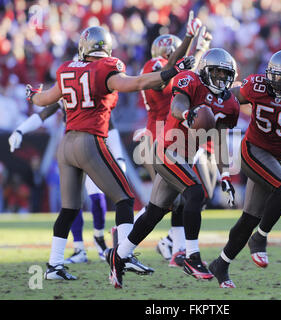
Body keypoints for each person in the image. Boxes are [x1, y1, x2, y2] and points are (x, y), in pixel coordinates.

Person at [25, 25, 195, 281]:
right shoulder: (105, 67)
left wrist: (32, 96)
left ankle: (54, 265)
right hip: (89, 141)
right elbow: (137, 83)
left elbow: (45, 98)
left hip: (66, 144)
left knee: (69, 208)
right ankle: (124, 255)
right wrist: (171, 71)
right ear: (106, 46)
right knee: (125, 198)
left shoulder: (66, 70)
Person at [107, 47, 239, 288]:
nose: (221, 79)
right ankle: (192, 256)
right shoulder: (189, 80)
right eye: (217, 73)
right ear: (206, 71)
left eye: (225, 75)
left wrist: (226, 174)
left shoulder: (229, 103)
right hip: (167, 149)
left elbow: (219, 139)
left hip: (186, 157)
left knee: (155, 213)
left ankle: (119, 255)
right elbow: (178, 104)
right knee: (196, 192)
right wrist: (189, 114)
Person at [208, 49, 281, 288]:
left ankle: (221, 264)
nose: (275, 81)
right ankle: (260, 239)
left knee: (249, 217)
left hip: (275, 159)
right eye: (273, 75)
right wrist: (208, 106)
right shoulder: (256, 86)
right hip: (253, 150)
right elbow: (226, 98)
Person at [8, 101, 152, 274]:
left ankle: (88, 247)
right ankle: (94, 250)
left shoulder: (80, 85)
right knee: (77, 203)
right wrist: (21, 128)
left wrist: (21, 128)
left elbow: (109, 122)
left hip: (77, 146)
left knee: (87, 200)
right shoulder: (72, 87)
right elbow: (45, 110)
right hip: (85, 146)